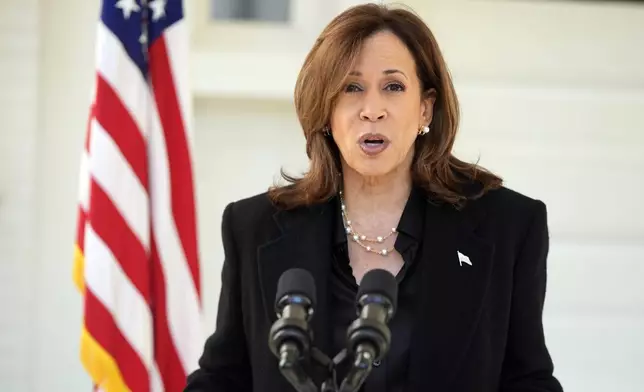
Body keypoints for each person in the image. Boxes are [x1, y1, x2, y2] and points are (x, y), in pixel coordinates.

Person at [184, 2, 563, 392]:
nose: (372, 110)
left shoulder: (508, 226)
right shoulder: (254, 228)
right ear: (326, 110)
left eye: (393, 87)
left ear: (425, 109)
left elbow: (527, 379)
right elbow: (224, 377)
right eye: (352, 87)